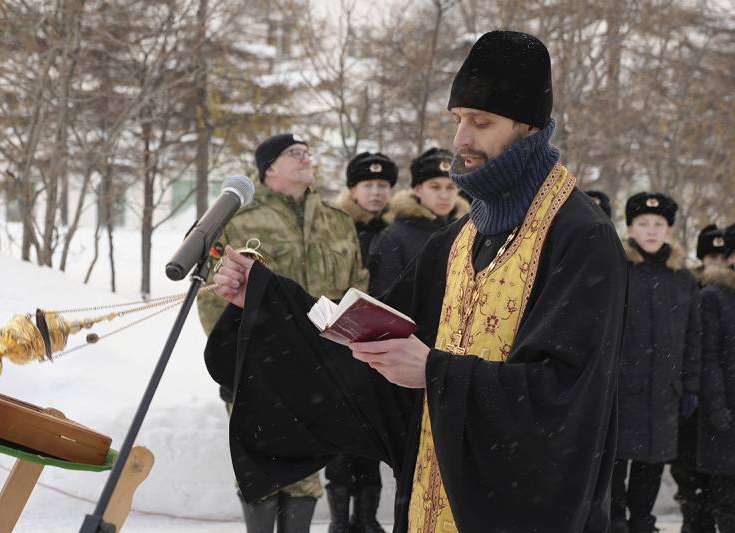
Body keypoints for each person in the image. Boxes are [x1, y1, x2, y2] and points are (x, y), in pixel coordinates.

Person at [204, 30, 627, 532]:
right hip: (429, 501)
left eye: (481, 122)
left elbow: (567, 401)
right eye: (457, 120)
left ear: (529, 127)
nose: (460, 139)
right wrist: (267, 299)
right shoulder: (460, 238)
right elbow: (364, 337)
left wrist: (435, 373)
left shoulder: (581, 236)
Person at [196, 132, 369, 533]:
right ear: (269, 166)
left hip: (320, 367)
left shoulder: (337, 221)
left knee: (307, 468)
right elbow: (211, 296)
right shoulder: (237, 222)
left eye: (308, 152)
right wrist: (238, 360)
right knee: (260, 464)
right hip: (260, 367)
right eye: (295, 153)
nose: (306, 158)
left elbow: (357, 290)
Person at [612, 192, 702, 533]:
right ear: (631, 229)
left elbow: (694, 338)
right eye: (643, 224)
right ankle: (615, 522)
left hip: (664, 393)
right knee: (614, 465)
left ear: (669, 230)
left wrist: (690, 386)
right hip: (622, 390)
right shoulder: (619, 270)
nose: (651, 231)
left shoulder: (683, 279)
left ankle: (642, 524)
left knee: (651, 466)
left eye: (658, 225)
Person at [329, 151, 398, 533]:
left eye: (383, 185)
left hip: (382, 341)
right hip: (341, 342)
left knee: (372, 432)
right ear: (352, 189)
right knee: (341, 432)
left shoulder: (398, 229)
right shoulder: (337, 228)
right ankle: (340, 520)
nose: (376, 192)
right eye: (368, 185)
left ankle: (367, 518)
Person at [671, 223, 729, 533]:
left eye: (723, 256)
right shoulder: (689, 288)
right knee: (692, 493)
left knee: (719, 495)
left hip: (719, 408)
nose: (717, 264)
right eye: (712, 256)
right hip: (692, 409)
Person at [367, 148, 470, 295]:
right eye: (435, 187)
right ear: (417, 189)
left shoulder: (467, 230)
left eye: (451, 187)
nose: (444, 195)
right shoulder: (393, 237)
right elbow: (384, 298)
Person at [696, 228, 735, 533]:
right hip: (725, 416)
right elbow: (708, 356)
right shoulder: (714, 296)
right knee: (726, 502)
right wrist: (718, 407)